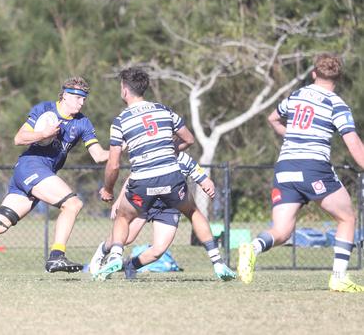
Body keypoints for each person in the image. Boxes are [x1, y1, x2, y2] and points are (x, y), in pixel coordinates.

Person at [0, 76, 108, 280]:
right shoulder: (45, 110)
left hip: (35, 174)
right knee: (73, 204)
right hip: (31, 166)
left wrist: (122, 147)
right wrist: (44, 133)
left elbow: (98, 156)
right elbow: (19, 138)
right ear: (66, 95)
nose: (82, 102)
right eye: (78, 97)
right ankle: (57, 255)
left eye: (84, 98)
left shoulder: (83, 123)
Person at [238, 54, 364, 292]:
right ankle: (338, 278)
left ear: (314, 74)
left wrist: (293, 135)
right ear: (338, 77)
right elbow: (353, 143)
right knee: (347, 217)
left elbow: (272, 118)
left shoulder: (297, 96)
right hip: (312, 167)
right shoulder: (336, 104)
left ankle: (252, 248)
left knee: (283, 232)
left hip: (285, 167)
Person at [95, 66, 196, 281]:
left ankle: (123, 262)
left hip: (161, 186)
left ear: (124, 90)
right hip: (151, 184)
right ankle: (105, 253)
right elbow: (189, 139)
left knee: (157, 249)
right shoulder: (164, 110)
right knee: (127, 234)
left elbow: (114, 165)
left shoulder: (121, 120)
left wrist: (108, 189)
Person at [89, 152, 236, 280]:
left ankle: (130, 265)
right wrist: (120, 201)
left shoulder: (184, 158)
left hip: (168, 207)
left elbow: (201, 176)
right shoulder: (151, 155)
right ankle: (102, 252)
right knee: (127, 237)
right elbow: (132, 178)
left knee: (158, 251)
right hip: (146, 202)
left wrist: (207, 184)